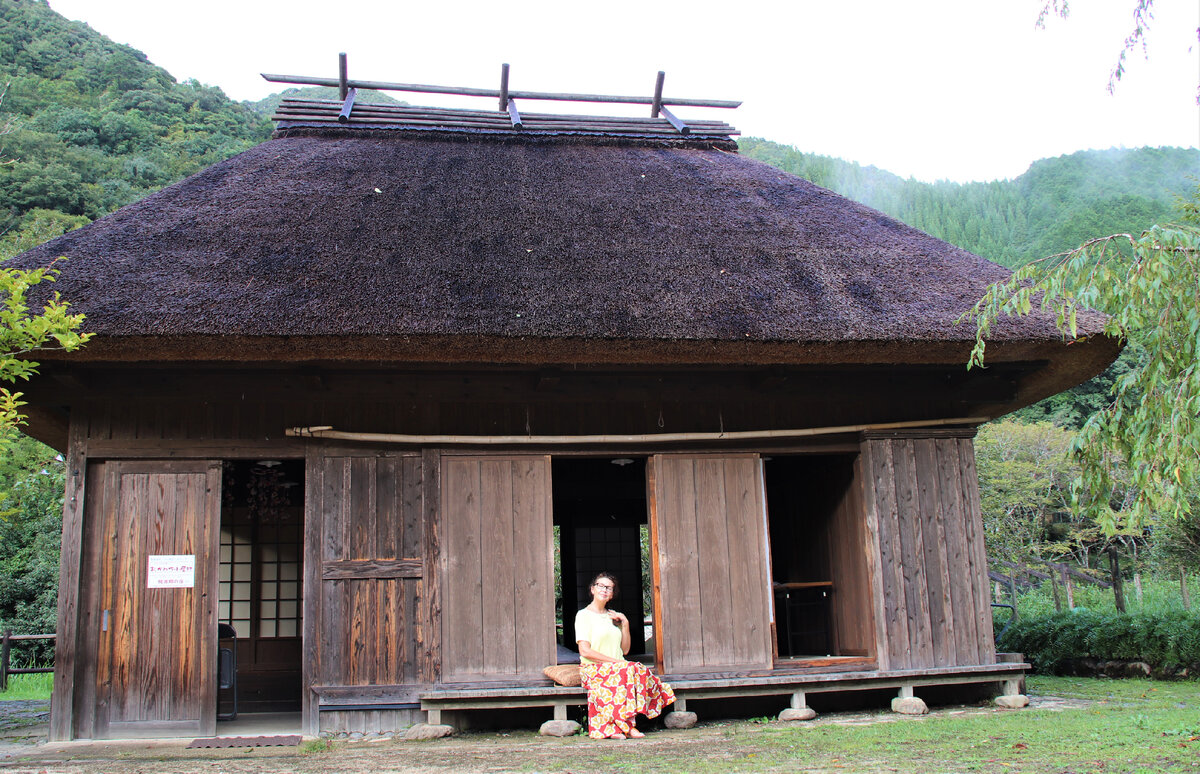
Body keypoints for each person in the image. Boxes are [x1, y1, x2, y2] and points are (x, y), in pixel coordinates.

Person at [574, 572, 675, 740]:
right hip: (593, 668)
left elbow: (625, 650)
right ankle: (629, 727)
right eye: (600, 586)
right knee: (625, 670)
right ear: (592, 589)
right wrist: (616, 663)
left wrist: (625, 623)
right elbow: (585, 651)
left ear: (612, 594)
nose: (604, 590)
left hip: (617, 667)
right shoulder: (583, 615)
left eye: (609, 588)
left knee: (639, 670)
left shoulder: (613, 616)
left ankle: (616, 727)